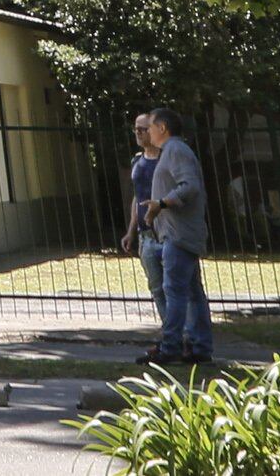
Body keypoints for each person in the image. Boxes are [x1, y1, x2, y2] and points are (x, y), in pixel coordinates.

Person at [145, 106, 214, 365]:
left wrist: (161, 204)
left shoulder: (174, 150)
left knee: (174, 291)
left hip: (179, 235)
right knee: (192, 292)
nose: (148, 132)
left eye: (150, 126)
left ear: (162, 128)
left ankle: (171, 347)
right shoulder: (174, 150)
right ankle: (200, 347)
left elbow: (190, 187)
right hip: (179, 234)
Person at [118, 112, 168, 345]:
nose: (138, 134)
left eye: (143, 129)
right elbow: (136, 198)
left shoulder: (167, 158)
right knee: (156, 286)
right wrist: (131, 230)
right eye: (135, 130)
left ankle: (184, 332)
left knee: (176, 286)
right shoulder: (137, 161)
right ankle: (169, 329)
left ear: (155, 130)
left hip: (167, 232)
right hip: (144, 235)